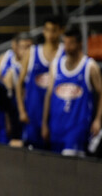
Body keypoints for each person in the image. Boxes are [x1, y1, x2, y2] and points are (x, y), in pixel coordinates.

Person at [42, 28, 102, 156]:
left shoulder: (89, 66)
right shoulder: (55, 65)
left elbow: (101, 93)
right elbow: (49, 95)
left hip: (78, 126)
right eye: (65, 43)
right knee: (56, 163)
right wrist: (45, 123)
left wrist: (98, 119)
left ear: (80, 44)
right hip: (56, 126)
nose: (67, 47)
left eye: (71, 43)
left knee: (69, 162)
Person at [16, 15, 65, 149]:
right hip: (33, 113)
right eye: (47, 30)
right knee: (34, 152)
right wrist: (21, 110)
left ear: (61, 31)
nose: (50, 34)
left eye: (54, 30)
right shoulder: (32, 52)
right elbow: (19, 83)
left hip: (57, 114)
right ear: (43, 31)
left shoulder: (65, 53)